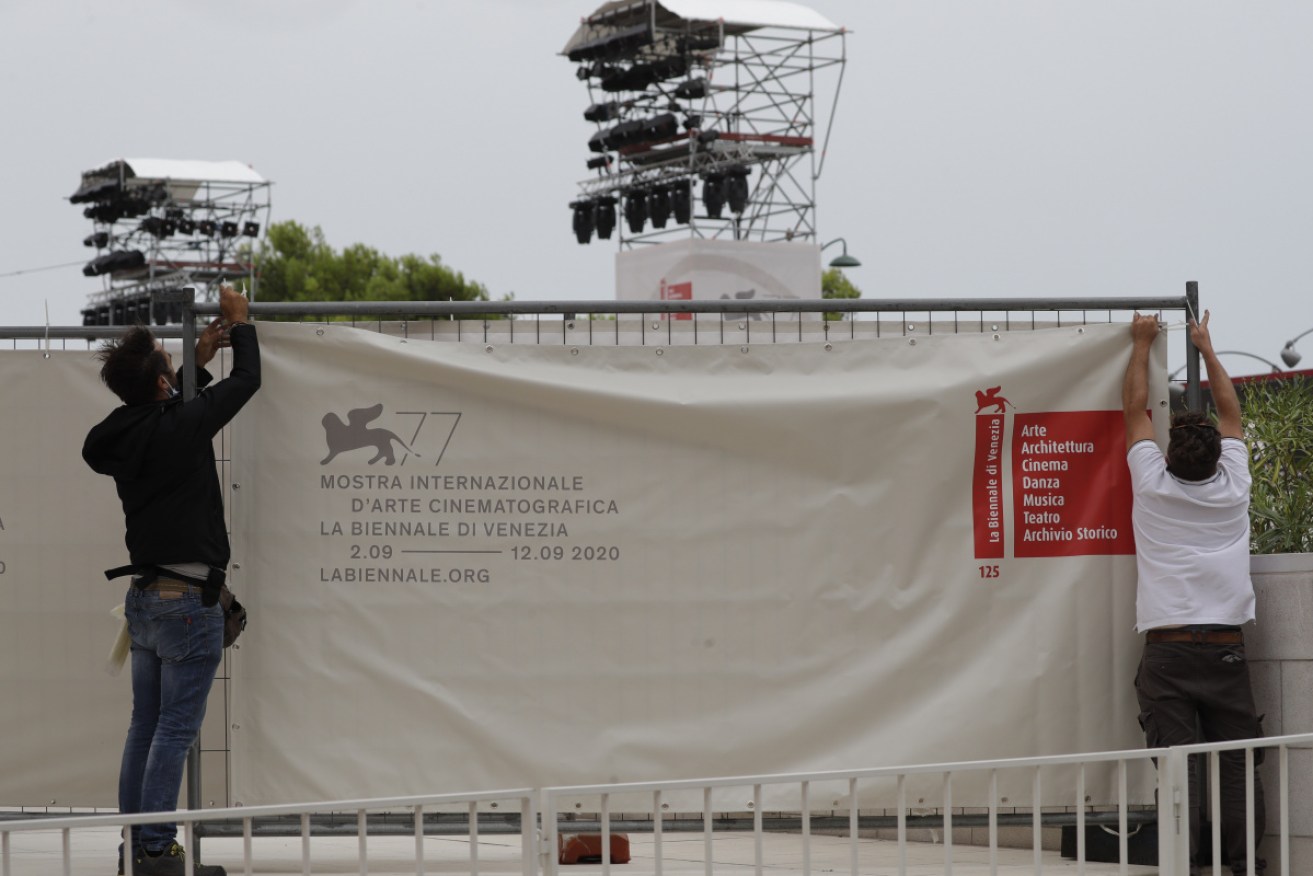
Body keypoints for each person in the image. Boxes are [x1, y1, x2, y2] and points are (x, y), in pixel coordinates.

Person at [83, 283, 259, 876]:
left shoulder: (121, 434)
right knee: (176, 730)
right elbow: (248, 382)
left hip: (145, 601)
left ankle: (135, 848)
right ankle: (157, 853)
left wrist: (191, 369)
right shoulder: (177, 427)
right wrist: (242, 324)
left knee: (146, 726)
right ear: (162, 386)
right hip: (188, 603)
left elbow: (164, 419)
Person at [1122, 310, 1265, 875]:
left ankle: (1185, 865)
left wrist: (1141, 343)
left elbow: (1133, 410)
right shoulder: (1234, 487)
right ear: (1214, 455)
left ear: (1169, 455)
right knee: (1236, 764)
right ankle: (1242, 866)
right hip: (1226, 648)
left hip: (1169, 648)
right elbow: (1232, 412)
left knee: (1178, 767)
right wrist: (1205, 348)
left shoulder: (1152, 486)